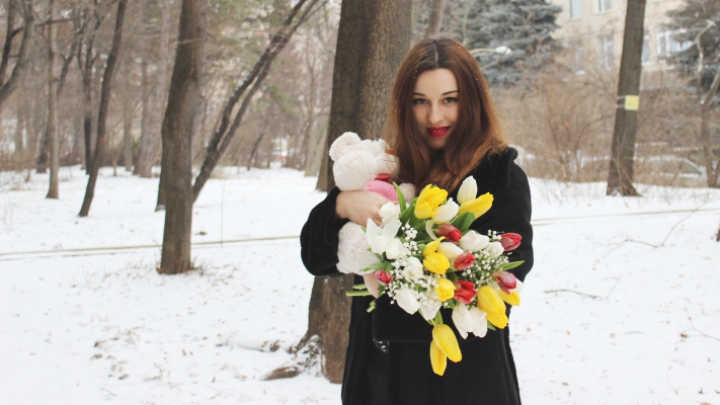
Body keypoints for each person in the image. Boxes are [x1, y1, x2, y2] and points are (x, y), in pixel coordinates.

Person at [300, 37, 533, 405]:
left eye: (449, 100)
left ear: (471, 101)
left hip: (463, 383)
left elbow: (502, 278)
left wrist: (404, 265)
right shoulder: (387, 167)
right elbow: (316, 258)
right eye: (420, 101)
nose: (435, 116)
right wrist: (340, 206)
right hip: (378, 378)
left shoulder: (497, 176)